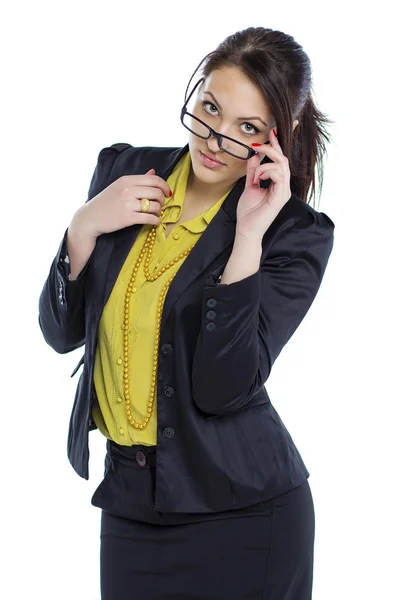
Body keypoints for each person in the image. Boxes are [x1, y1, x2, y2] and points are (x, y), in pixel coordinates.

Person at [38, 26, 335, 600]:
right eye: (210, 109)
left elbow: (223, 388)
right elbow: (60, 333)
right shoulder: (124, 174)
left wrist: (248, 238)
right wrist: (85, 225)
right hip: (130, 503)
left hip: (248, 515)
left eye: (246, 128)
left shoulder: (294, 236)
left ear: (278, 137)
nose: (216, 139)